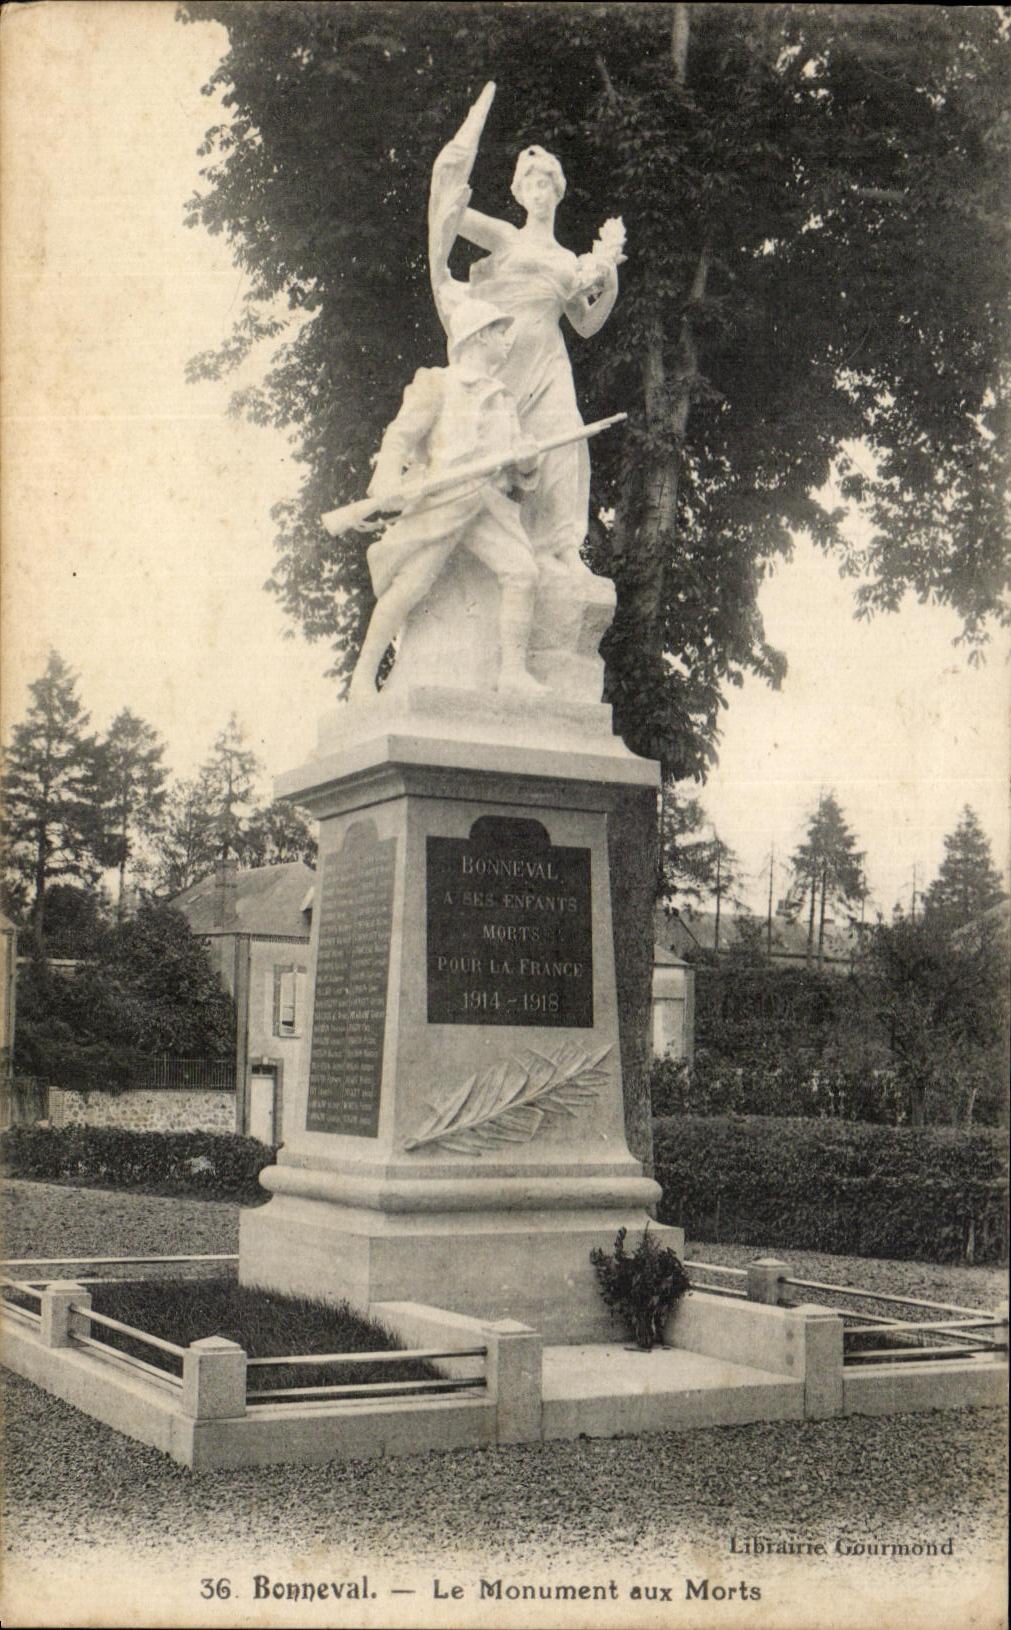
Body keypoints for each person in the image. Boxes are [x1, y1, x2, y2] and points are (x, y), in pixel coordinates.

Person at [428, 86, 620, 571]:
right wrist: (449, 184)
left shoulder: (568, 261)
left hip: (549, 361)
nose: (539, 193)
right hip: (505, 354)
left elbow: (585, 325)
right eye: (531, 185)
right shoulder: (506, 237)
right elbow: (448, 215)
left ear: (558, 192)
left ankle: (559, 547)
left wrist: (610, 288)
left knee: (564, 438)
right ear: (519, 193)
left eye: (547, 185)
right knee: (494, 446)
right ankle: (480, 543)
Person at [348, 298, 545, 703]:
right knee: (410, 585)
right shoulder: (438, 383)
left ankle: (512, 673)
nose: (505, 341)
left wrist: (526, 463)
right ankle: (362, 678)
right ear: (476, 337)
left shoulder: (503, 397)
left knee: (522, 573)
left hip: (488, 502)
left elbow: (515, 470)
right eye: (497, 332)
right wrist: (387, 477)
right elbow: (400, 436)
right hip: (446, 499)